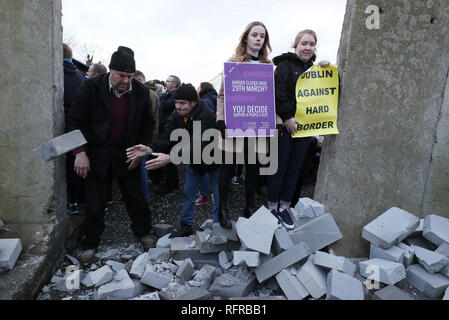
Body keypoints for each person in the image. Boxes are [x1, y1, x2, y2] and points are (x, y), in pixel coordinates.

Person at [67, 46, 156, 263]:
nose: (126, 81)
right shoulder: (91, 87)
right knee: (95, 201)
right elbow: (74, 120)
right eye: (121, 75)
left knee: (136, 198)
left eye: (130, 76)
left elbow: (148, 124)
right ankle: (91, 242)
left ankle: (144, 233)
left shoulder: (142, 92)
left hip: (128, 152)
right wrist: (79, 153)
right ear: (110, 71)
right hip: (97, 153)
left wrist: (141, 150)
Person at [126, 83, 221, 237]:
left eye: (182, 103)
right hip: (195, 160)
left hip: (215, 159)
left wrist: (171, 157)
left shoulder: (206, 114)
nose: (178, 106)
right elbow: (166, 137)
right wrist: (150, 148)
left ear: (193, 102)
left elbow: (197, 143)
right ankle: (186, 226)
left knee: (218, 194)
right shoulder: (177, 115)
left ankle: (218, 227)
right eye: (176, 102)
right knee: (188, 192)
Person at [266, 29, 330, 229]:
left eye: (312, 44)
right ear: (295, 45)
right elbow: (278, 92)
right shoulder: (284, 66)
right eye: (304, 43)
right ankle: (271, 209)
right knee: (279, 169)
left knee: (294, 170)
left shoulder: (315, 69)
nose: (308, 48)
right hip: (286, 127)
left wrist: (327, 71)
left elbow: (329, 91)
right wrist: (287, 118)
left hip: (305, 129)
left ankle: (285, 208)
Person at [216, 21, 273, 227]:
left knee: (253, 168)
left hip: (258, 126)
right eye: (255, 35)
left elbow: (270, 98)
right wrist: (220, 119)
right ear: (246, 38)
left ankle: (248, 206)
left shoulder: (268, 66)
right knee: (228, 168)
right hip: (235, 123)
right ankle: (223, 208)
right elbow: (222, 95)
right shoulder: (234, 63)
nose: (258, 39)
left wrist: (275, 122)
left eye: (262, 36)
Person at [63, 43, 85, 215]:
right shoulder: (80, 78)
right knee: (74, 166)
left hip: (60, 128)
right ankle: (74, 202)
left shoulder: (55, 75)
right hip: (76, 129)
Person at [155, 75, 182, 195]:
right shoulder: (170, 95)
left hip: (171, 131)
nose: (165, 82)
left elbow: (164, 106)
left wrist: (164, 95)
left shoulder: (175, 95)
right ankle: (172, 184)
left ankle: (170, 185)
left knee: (170, 159)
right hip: (168, 130)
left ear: (174, 85)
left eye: (168, 81)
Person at [195, 82, 219, 206]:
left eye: (198, 87)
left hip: (207, 139)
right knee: (214, 170)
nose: (197, 89)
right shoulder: (215, 98)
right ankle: (214, 195)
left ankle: (204, 195)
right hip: (216, 138)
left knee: (203, 169)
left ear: (203, 89)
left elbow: (206, 121)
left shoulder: (206, 101)